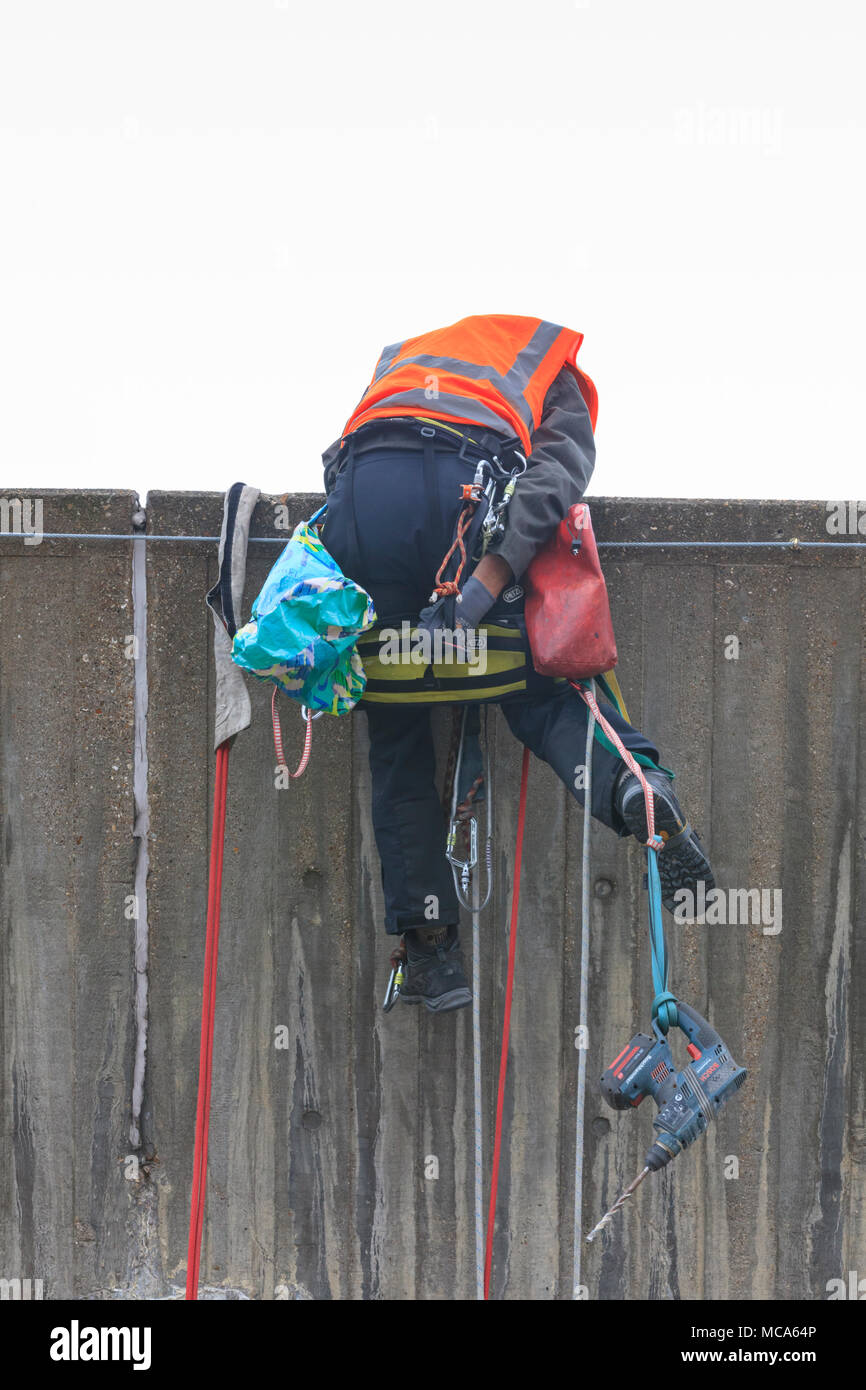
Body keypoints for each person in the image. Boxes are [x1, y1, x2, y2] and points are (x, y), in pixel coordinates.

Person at [321, 315, 714, 1012]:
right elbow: (555, 479)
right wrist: (484, 587)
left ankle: (431, 951)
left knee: (395, 719)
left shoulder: (402, 361)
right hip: (461, 494)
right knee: (536, 689)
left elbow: (337, 462)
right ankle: (634, 789)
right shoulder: (546, 364)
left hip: (363, 496)